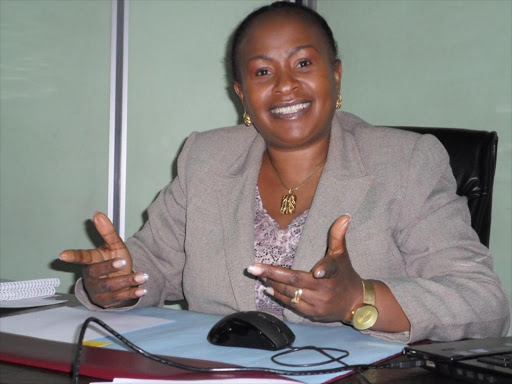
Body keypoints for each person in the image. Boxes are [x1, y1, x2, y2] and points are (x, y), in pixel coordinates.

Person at [60, 2, 510, 343]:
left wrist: (359, 300)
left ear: (335, 76)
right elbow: (154, 262)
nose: (285, 86)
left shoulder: (404, 163)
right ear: (242, 95)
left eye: (303, 63)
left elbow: (483, 302)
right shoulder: (207, 158)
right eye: (261, 72)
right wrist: (116, 283)